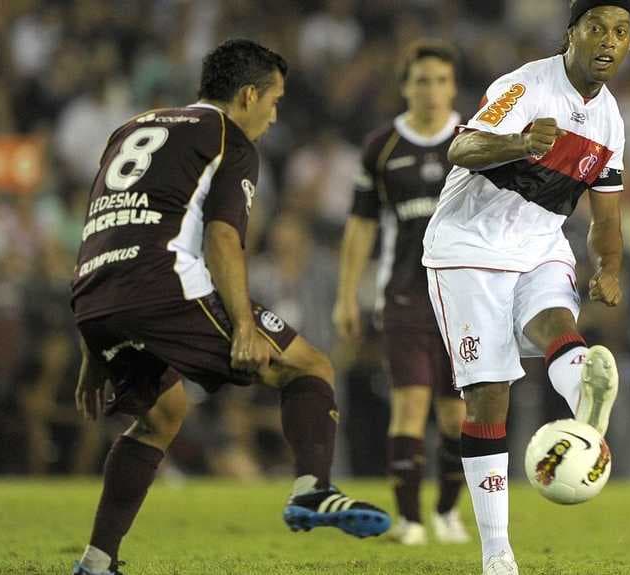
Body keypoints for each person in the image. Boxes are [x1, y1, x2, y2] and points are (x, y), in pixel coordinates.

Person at [70, 39, 390, 575]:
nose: (274, 113)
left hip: (94, 294)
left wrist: (91, 344)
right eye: (275, 99)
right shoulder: (230, 138)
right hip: (162, 285)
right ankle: (313, 490)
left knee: (160, 418)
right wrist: (242, 323)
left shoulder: (130, 128)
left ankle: (96, 562)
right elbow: (222, 237)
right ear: (248, 95)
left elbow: (100, 229)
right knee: (309, 365)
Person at [421, 2, 630, 573]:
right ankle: (497, 553)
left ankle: (586, 410)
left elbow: (606, 219)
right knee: (489, 394)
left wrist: (609, 267)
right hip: (468, 248)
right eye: (596, 28)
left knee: (556, 328)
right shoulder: (525, 86)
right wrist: (521, 143)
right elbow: (461, 148)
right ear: (571, 34)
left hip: (540, 245)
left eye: (620, 31)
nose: (607, 40)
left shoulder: (611, 120)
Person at [333, 40, 469, 546]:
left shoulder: (475, 141)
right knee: (410, 405)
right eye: (421, 80)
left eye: (440, 80)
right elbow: (360, 226)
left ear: (453, 86)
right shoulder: (382, 147)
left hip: (463, 300)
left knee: (457, 416)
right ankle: (410, 520)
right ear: (405, 86)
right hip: (405, 296)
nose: (431, 90)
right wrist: (346, 296)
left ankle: (448, 512)